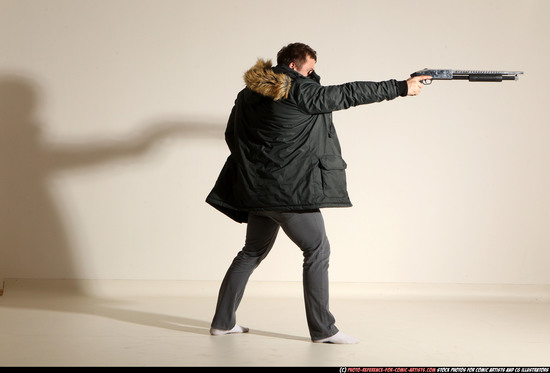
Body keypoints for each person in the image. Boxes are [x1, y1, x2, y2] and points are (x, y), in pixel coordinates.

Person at [205, 42, 430, 344]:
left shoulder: (247, 95)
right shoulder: (299, 90)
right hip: (290, 193)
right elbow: (349, 94)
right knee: (317, 250)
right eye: (310, 69)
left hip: (258, 193)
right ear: (295, 66)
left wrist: (259, 168)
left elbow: (232, 135)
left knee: (251, 253)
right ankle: (324, 330)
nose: (313, 74)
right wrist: (402, 87)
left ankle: (222, 322)